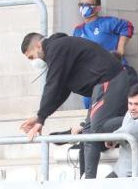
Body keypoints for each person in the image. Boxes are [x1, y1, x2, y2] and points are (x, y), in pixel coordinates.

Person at [19, 32, 130, 179]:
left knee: (98, 129)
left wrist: (41, 119)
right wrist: (40, 116)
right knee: (88, 135)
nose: (34, 62)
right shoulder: (60, 50)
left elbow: (52, 84)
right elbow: (61, 90)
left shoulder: (56, 48)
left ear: (38, 45)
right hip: (101, 87)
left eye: (32, 57)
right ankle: (88, 180)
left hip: (110, 80)